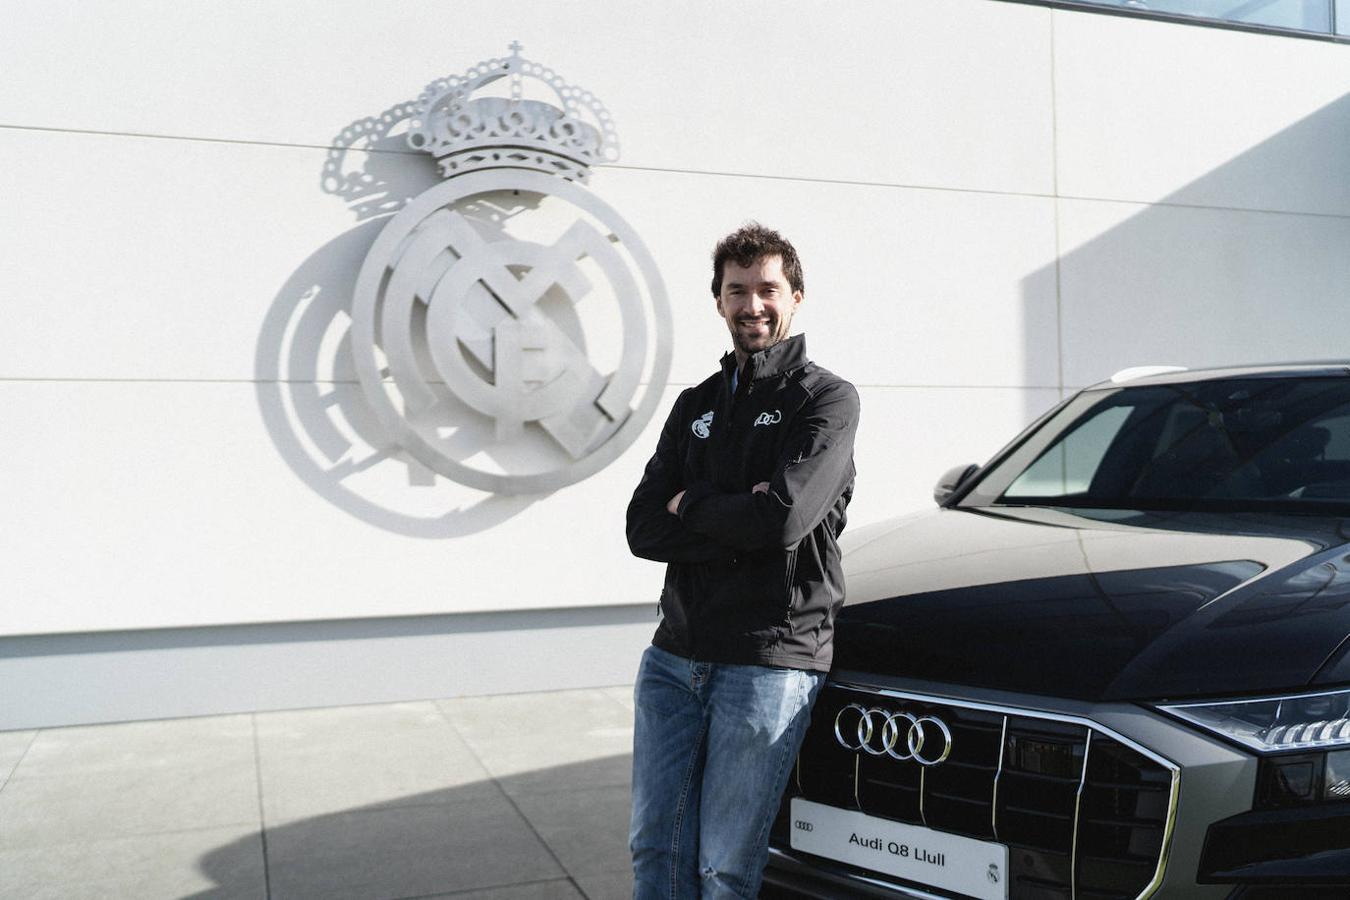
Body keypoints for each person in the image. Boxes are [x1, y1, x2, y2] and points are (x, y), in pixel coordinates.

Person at [625, 223, 859, 899]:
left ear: (797, 297)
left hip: (769, 659)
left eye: (767, 289)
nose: (752, 304)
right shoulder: (696, 404)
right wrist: (732, 509)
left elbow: (783, 520)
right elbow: (643, 526)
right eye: (737, 291)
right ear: (719, 302)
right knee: (655, 853)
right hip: (675, 656)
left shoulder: (826, 400)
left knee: (725, 868)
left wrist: (687, 503)